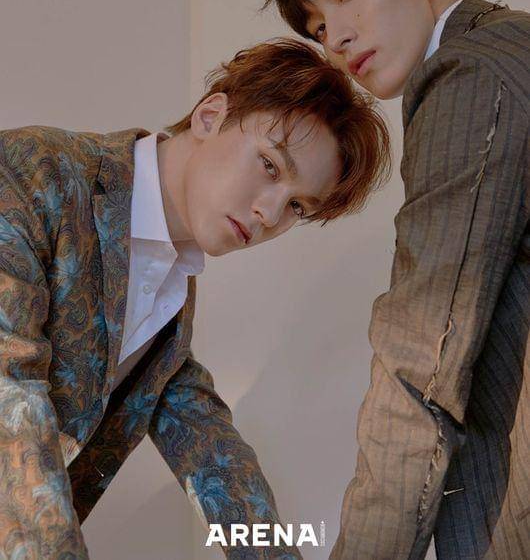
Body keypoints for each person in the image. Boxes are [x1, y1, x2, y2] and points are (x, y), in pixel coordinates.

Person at [0, 38, 390, 559]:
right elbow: (9, 401)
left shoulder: (170, 293)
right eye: (270, 166)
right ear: (210, 116)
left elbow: (213, 457)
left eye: (298, 206)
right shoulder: (29, 174)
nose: (271, 214)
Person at [256, 0, 530, 560]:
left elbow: (421, 361)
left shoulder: (471, 75)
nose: (337, 38)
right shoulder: (513, 48)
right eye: (318, 27)